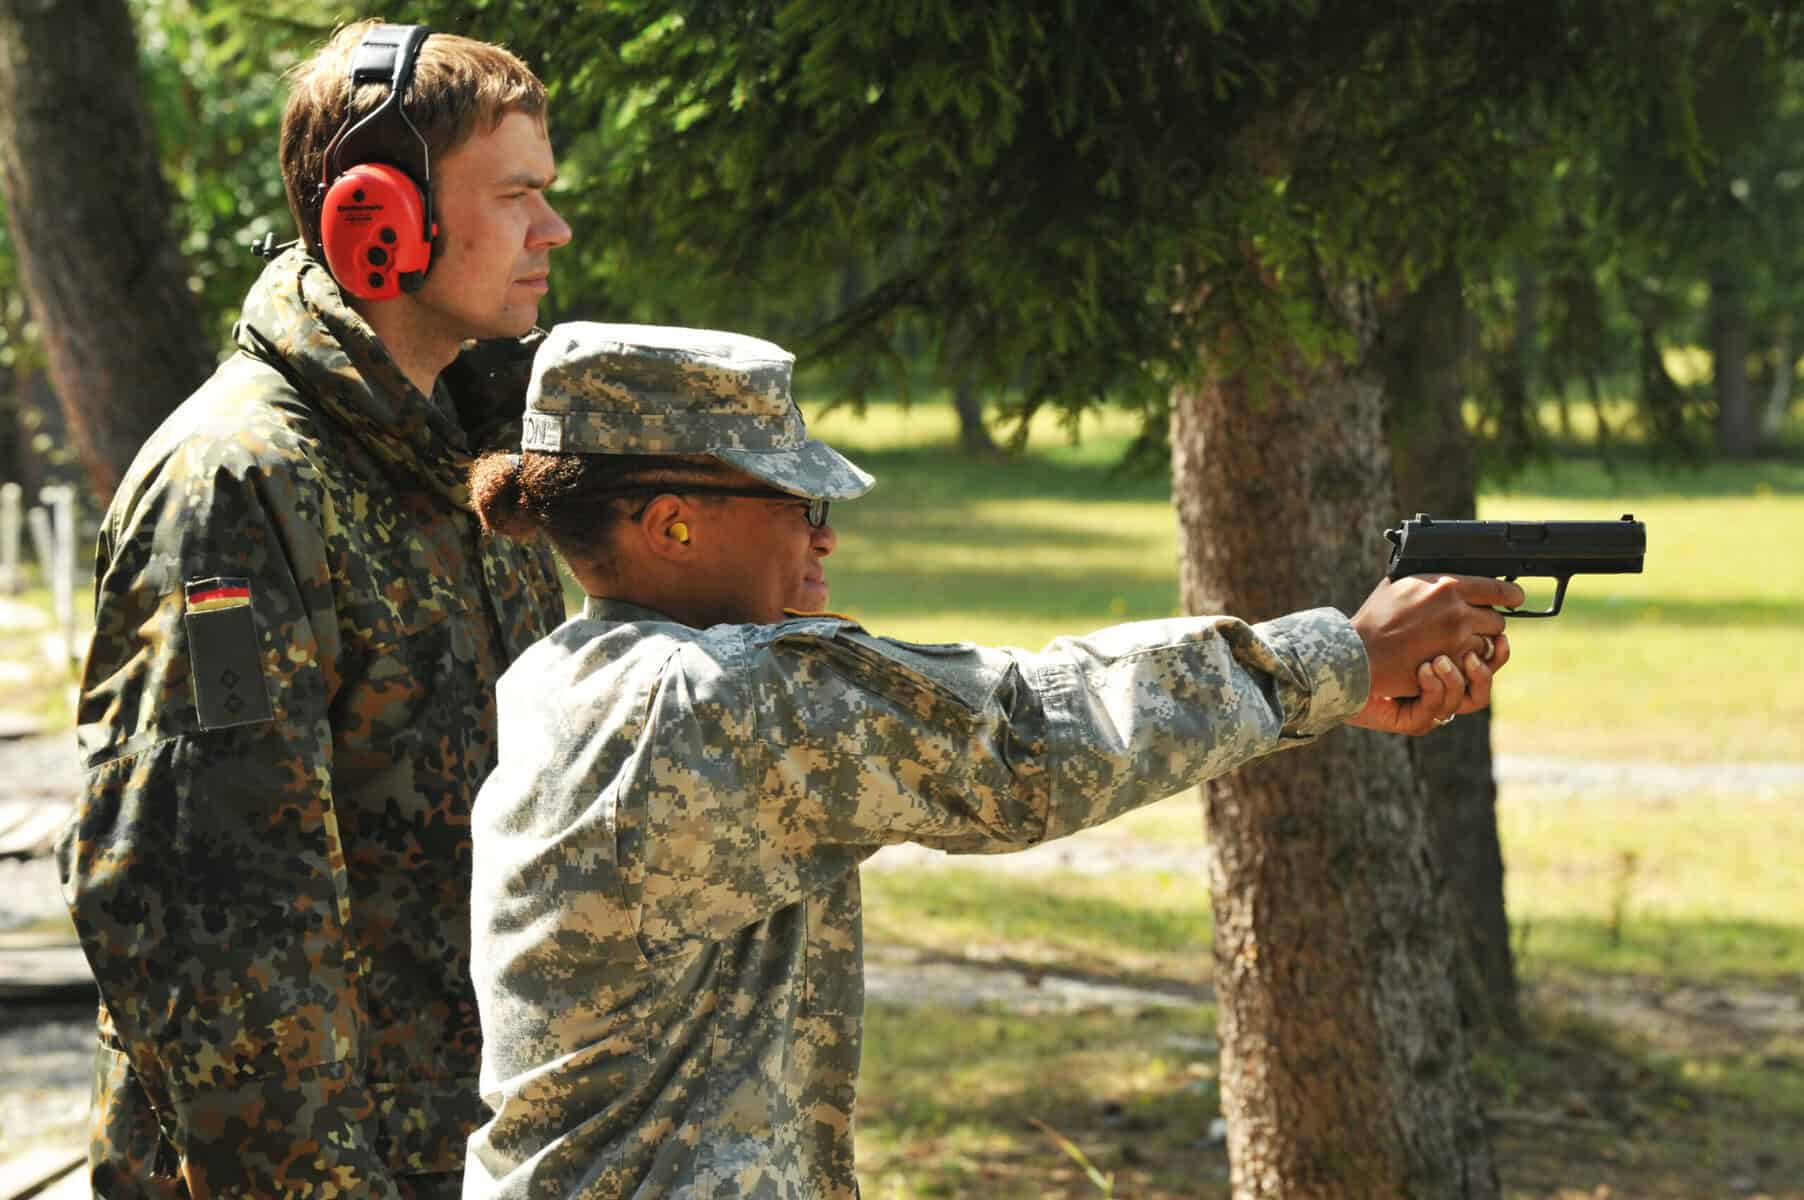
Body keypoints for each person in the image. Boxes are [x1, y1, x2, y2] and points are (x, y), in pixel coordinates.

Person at [457, 322, 1521, 1198]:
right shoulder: (708, 702)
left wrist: (1321, 695)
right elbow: (1021, 741)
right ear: (673, 525)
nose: (824, 540)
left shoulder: (575, 675)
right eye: (799, 506)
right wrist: (1340, 652)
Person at [56, 20, 572, 1198]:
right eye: (519, 196)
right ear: (379, 215)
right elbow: (207, 904)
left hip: (463, 1152)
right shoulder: (236, 486)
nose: (554, 230)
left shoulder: (464, 462)